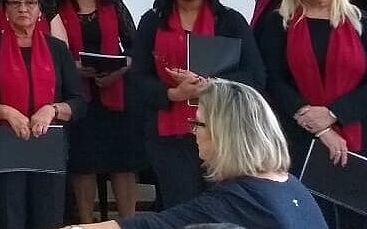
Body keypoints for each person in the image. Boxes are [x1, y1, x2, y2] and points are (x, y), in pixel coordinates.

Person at [65, 80, 328, 229]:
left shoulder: (242, 198)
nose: (193, 132)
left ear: (224, 133)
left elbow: (157, 226)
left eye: (198, 123)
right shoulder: (289, 184)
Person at [128, 0, 265, 208]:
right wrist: (173, 93)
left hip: (223, 130)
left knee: (224, 204)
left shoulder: (230, 20)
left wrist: (210, 86)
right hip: (170, 133)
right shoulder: (152, 21)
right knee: (181, 205)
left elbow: (255, 75)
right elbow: (138, 78)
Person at [257, 0, 367, 228]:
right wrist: (320, 127)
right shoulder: (277, 23)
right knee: (309, 217)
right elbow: (271, 78)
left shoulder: (361, 23)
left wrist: (334, 114)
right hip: (298, 137)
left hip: (358, 135)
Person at [0, 0, 85, 229]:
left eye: (30, 3)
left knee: (48, 217)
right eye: (15, 3)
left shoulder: (57, 49)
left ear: (40, 10)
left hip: (48, 144)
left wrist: (52, 109)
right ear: (5, 10)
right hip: (6, 144)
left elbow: (78, 102)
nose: (23, 8)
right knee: (9, 217)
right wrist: (5, 111)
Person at [44, 0, 143, 224]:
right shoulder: (55, 7)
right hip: (77, 95)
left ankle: (128, 223)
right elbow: (48, 50)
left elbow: (135, 47)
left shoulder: (114, 4)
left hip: (116, 93)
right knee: (83, 164)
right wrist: (73, 68)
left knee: (123, 163)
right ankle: (87, 224)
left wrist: (119, 70)